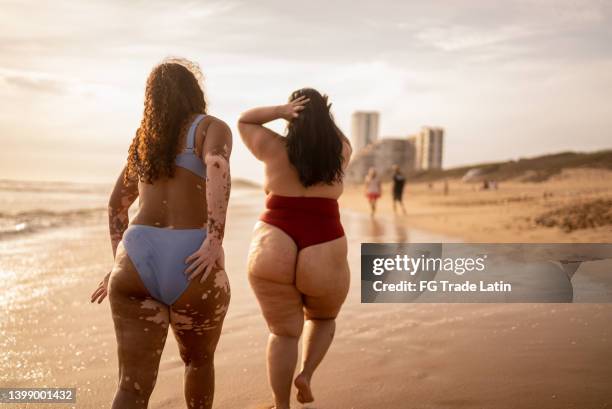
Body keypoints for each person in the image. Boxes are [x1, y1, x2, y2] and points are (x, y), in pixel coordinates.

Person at [90, 59, 232, 409]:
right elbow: (216, 164)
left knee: (131, 387)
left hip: (136, 259)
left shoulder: (144, 141)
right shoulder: (210, 128)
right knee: (197, 362)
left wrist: (118, 265)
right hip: (191, 259)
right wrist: (214, 238)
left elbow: (116, 206)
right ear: (194, 92)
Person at [238, 88, 351, 409]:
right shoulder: (341, 150)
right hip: (324, 238)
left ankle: (281, 404)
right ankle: (306, 375)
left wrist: (280, 110)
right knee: (324, 318)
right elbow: (332, 135)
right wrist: (320, 114)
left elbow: (244, 119)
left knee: (284, 333)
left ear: (292, 116)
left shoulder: (272, 146)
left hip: (274, 238)